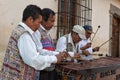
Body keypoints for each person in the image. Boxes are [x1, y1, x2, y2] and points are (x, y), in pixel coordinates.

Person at [0, 5, 67, 80]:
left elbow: (38, 51)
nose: (39, 26)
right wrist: (54, 59)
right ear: (30, 19)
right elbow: (34, 60)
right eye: (39, 22)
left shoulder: (19, 30)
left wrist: (55, 55)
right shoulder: (24, 35)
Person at [33, 8, 67, 80]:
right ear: (43, 20)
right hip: (42, 71)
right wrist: (56, 55)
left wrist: (58, 54)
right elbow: (39, 52)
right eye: (52, 21)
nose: (53, 24)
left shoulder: (47, 33)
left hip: (50, 69)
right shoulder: (37, 32)